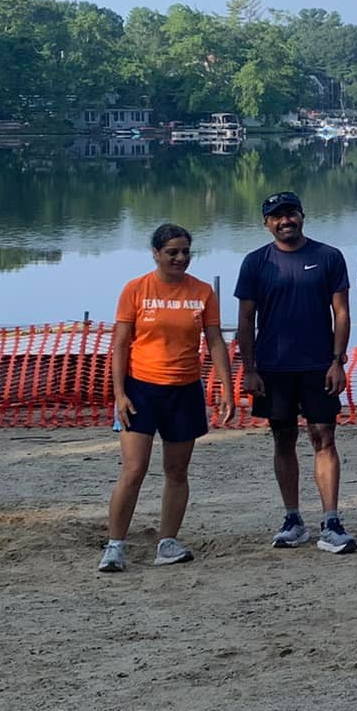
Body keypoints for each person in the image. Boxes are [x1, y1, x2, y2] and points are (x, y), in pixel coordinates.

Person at [100, 223, 236, 572]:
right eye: (172, 252)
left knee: (176, 470)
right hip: (141, 390)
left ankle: (168, 542)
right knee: (133, 469)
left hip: (185, 390)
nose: (180, 258)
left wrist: (225, 386)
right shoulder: (136, 289)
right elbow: (119, 345)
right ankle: (115, 546)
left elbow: (216, 341)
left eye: (185, 252)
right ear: (156, 253)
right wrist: (119, 394)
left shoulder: (203, 292)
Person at [235, 191, 356, 553]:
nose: (285, 221)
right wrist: (250, 369)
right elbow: (245, 319)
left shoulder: (328, 257)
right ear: (266, 223)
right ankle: (292, 518)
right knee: (283, 440)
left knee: (324, 439)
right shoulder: (256, 263)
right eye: (277, 216)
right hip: (274, 369)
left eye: (291, 214)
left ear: (302, 216)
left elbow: (342, 314)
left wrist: (338, 360)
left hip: (319, 367)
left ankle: (331, 521)